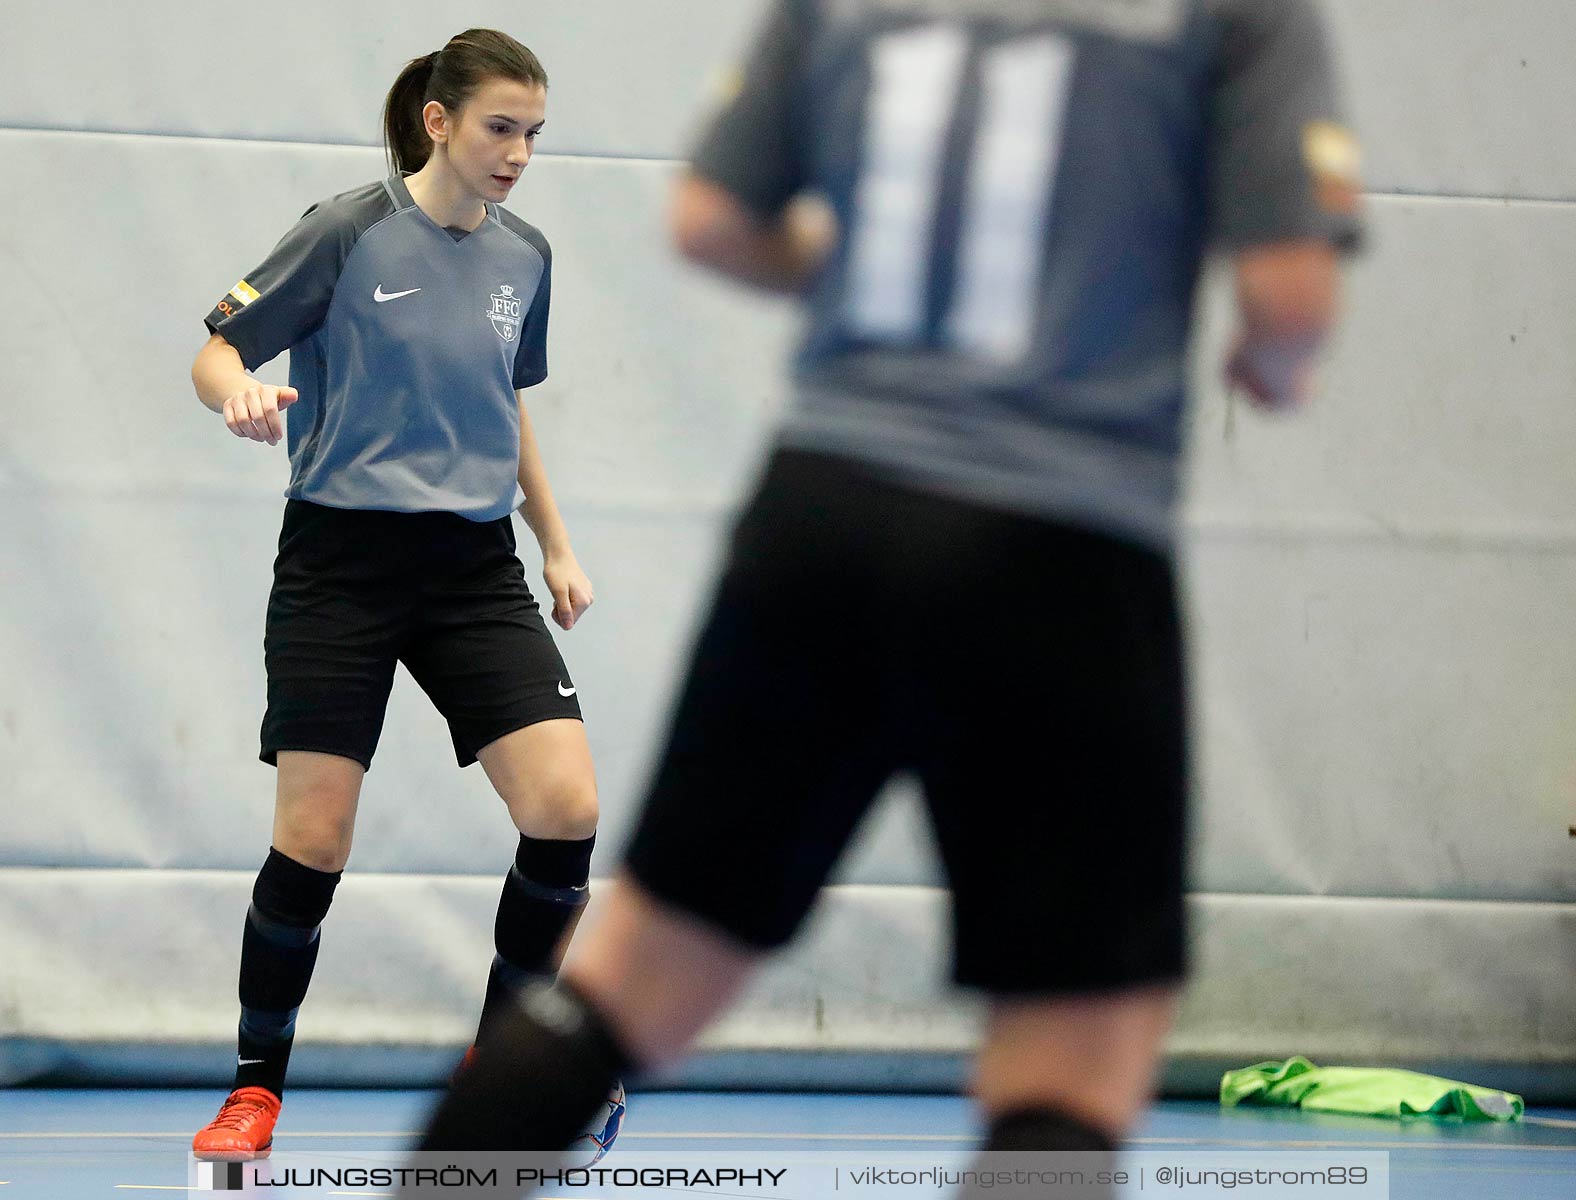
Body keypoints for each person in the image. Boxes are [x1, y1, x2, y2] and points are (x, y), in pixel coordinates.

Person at [414, 0, 1363, 1191]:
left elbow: (709, 221)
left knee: (626, 987)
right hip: (1062, 540)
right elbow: (1288, 303)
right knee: (1066, 1068)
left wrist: (859, 277)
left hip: (826, 513)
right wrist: (1267, 369)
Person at [188, 29, 608, 1161]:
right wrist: (236, 397)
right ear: (440, 121)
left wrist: (555, 545)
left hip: (473, 574)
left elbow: (506, 408)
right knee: (314, 839)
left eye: (532, 134)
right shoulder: (347, 230)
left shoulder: (527, 257)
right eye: (498, 129)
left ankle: (505, 1066)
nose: (518, 153)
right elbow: (217, 349)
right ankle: (254, 1089)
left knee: (566, 811)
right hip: (340, 567)